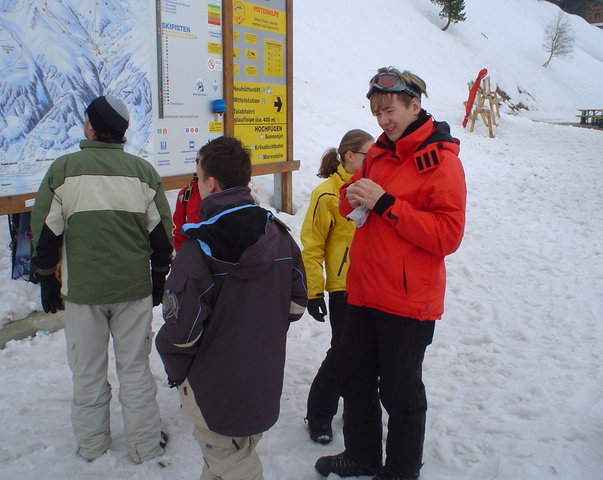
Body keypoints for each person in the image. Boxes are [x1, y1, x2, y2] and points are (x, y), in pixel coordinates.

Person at [315, 67, 467, 480]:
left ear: (414, 106)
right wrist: (351, 196)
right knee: (354, 377)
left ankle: (401, 471)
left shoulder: (441, 162)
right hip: (364, 290)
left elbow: (447, 235)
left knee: (400, 393)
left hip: (407, 299)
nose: (383, 120)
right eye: (377, 113)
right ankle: (362, 455)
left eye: (390, 111)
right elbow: (350, 202)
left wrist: (387, 204)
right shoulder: (379, 153)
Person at [30, 95, 174, 463]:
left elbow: (45, 232)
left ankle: (93, 445)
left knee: (87, 371)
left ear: (92, 128)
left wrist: (47, 278)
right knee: (135, 369)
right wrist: (159, 276)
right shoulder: (143, 173)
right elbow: (162, 235)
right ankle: (145, 445)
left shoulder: (64, 170)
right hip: (133, 290)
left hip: (83, 293)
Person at [155, 136, 308, 480]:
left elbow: (180, 334)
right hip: (263, 379)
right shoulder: (280, 236)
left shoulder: (197, 250)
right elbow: (297, 304)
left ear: (211, 183)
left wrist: (177, 373)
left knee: (234, 464)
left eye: (197, 177)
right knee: (227, 459)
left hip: (213, 388)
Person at [302, 129, 374, 444]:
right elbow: (312, 246)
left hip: (374, 284)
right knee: (342, 352)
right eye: (368, 154)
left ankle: (357, 411)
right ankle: (319, 414)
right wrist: (314, 291)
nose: (374, 160)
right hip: (343, 287)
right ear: (349, 156)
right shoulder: (327, 194)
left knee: (368, 354)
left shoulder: (373, 188)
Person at [172, 173, 202, 251]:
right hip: (193, 251)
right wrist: (181, 252)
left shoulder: (221, 191)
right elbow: (179, 225)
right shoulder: (186, 193)